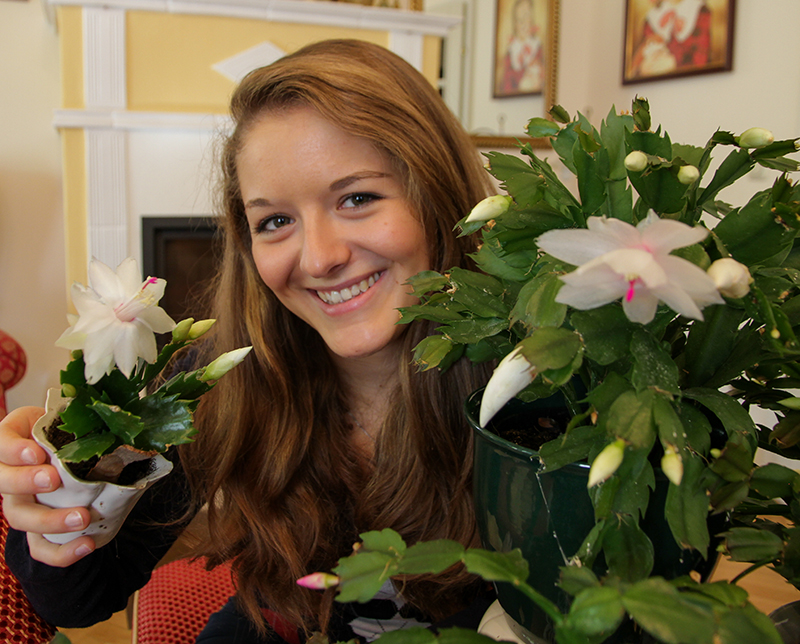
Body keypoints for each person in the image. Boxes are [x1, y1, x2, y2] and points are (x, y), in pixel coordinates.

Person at [0, 39, 496, 643]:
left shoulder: (537, 386)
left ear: (438, 193)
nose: (319, 257)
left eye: (358, 198)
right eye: (275, 221)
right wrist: (54, 510)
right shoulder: (214, 380)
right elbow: (78, 600)